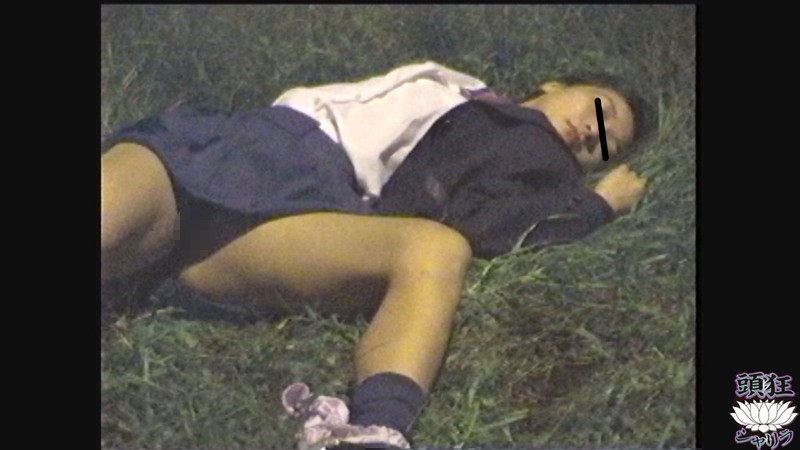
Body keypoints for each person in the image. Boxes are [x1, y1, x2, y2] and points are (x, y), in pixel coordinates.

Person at [101, 61, 648, 449]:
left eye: (606, 143)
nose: (592, 131)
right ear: (555, 83)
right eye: (600, 110)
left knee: (437, 247)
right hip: (249, 145)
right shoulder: (464, 91)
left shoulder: (540, 164)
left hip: (309, 213)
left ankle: (375, 432)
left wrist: (596, 205)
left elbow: (496, 224)